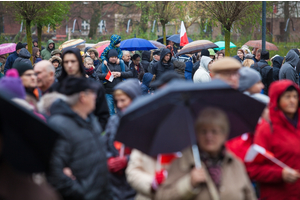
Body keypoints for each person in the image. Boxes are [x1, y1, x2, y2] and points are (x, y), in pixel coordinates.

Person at [155, 107, 256, 200]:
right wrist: (189, 183)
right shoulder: (182, 163)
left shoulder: (235, 164)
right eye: (203, 131)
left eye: (214, 131)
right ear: (196, 134)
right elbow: (162, 197)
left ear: (224, 135)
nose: (209, 136)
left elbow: (249, 196)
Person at [47, 76, 111, 200]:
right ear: (83, 97)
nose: (95, 97)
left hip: (103, 193)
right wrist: (81, 193)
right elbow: (55, 172)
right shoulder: (59, 125)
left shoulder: (91, 119)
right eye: (92, 93)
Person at [247, 80, 300, 200]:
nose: (292, 101)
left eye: (295, 96)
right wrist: (280, 174)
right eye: (287, 97)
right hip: (277, 195)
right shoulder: (266, 129)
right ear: (277, 99)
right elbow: (253, 168)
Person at [51, 47, 110, 129]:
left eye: (73, 61)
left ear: (79, 62)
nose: (69, 65)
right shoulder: (56, 87)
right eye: (66, 62)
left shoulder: (94, 87)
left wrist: (93, 133)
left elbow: (104, 116)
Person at [105, 79, 141, 200]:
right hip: (113, 181)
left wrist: (127, 160)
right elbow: (105, 143)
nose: (119, 105)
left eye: (123, 100)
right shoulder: (113, 120)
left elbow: (147, 149)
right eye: (117, 101)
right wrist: (109, 159)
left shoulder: (144, 121)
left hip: (135, 180)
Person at [97, 49, 133, 116]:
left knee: (121, 111)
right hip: (108, 92)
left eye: (115, 57)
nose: (114, 59)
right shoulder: (104, 65)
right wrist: (108, 75)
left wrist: (120, 74)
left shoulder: (121, 64)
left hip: (120, 92)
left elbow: (130, 73)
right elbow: (97, 75)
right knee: (111, 111)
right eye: (112, 57)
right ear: (109, 57)